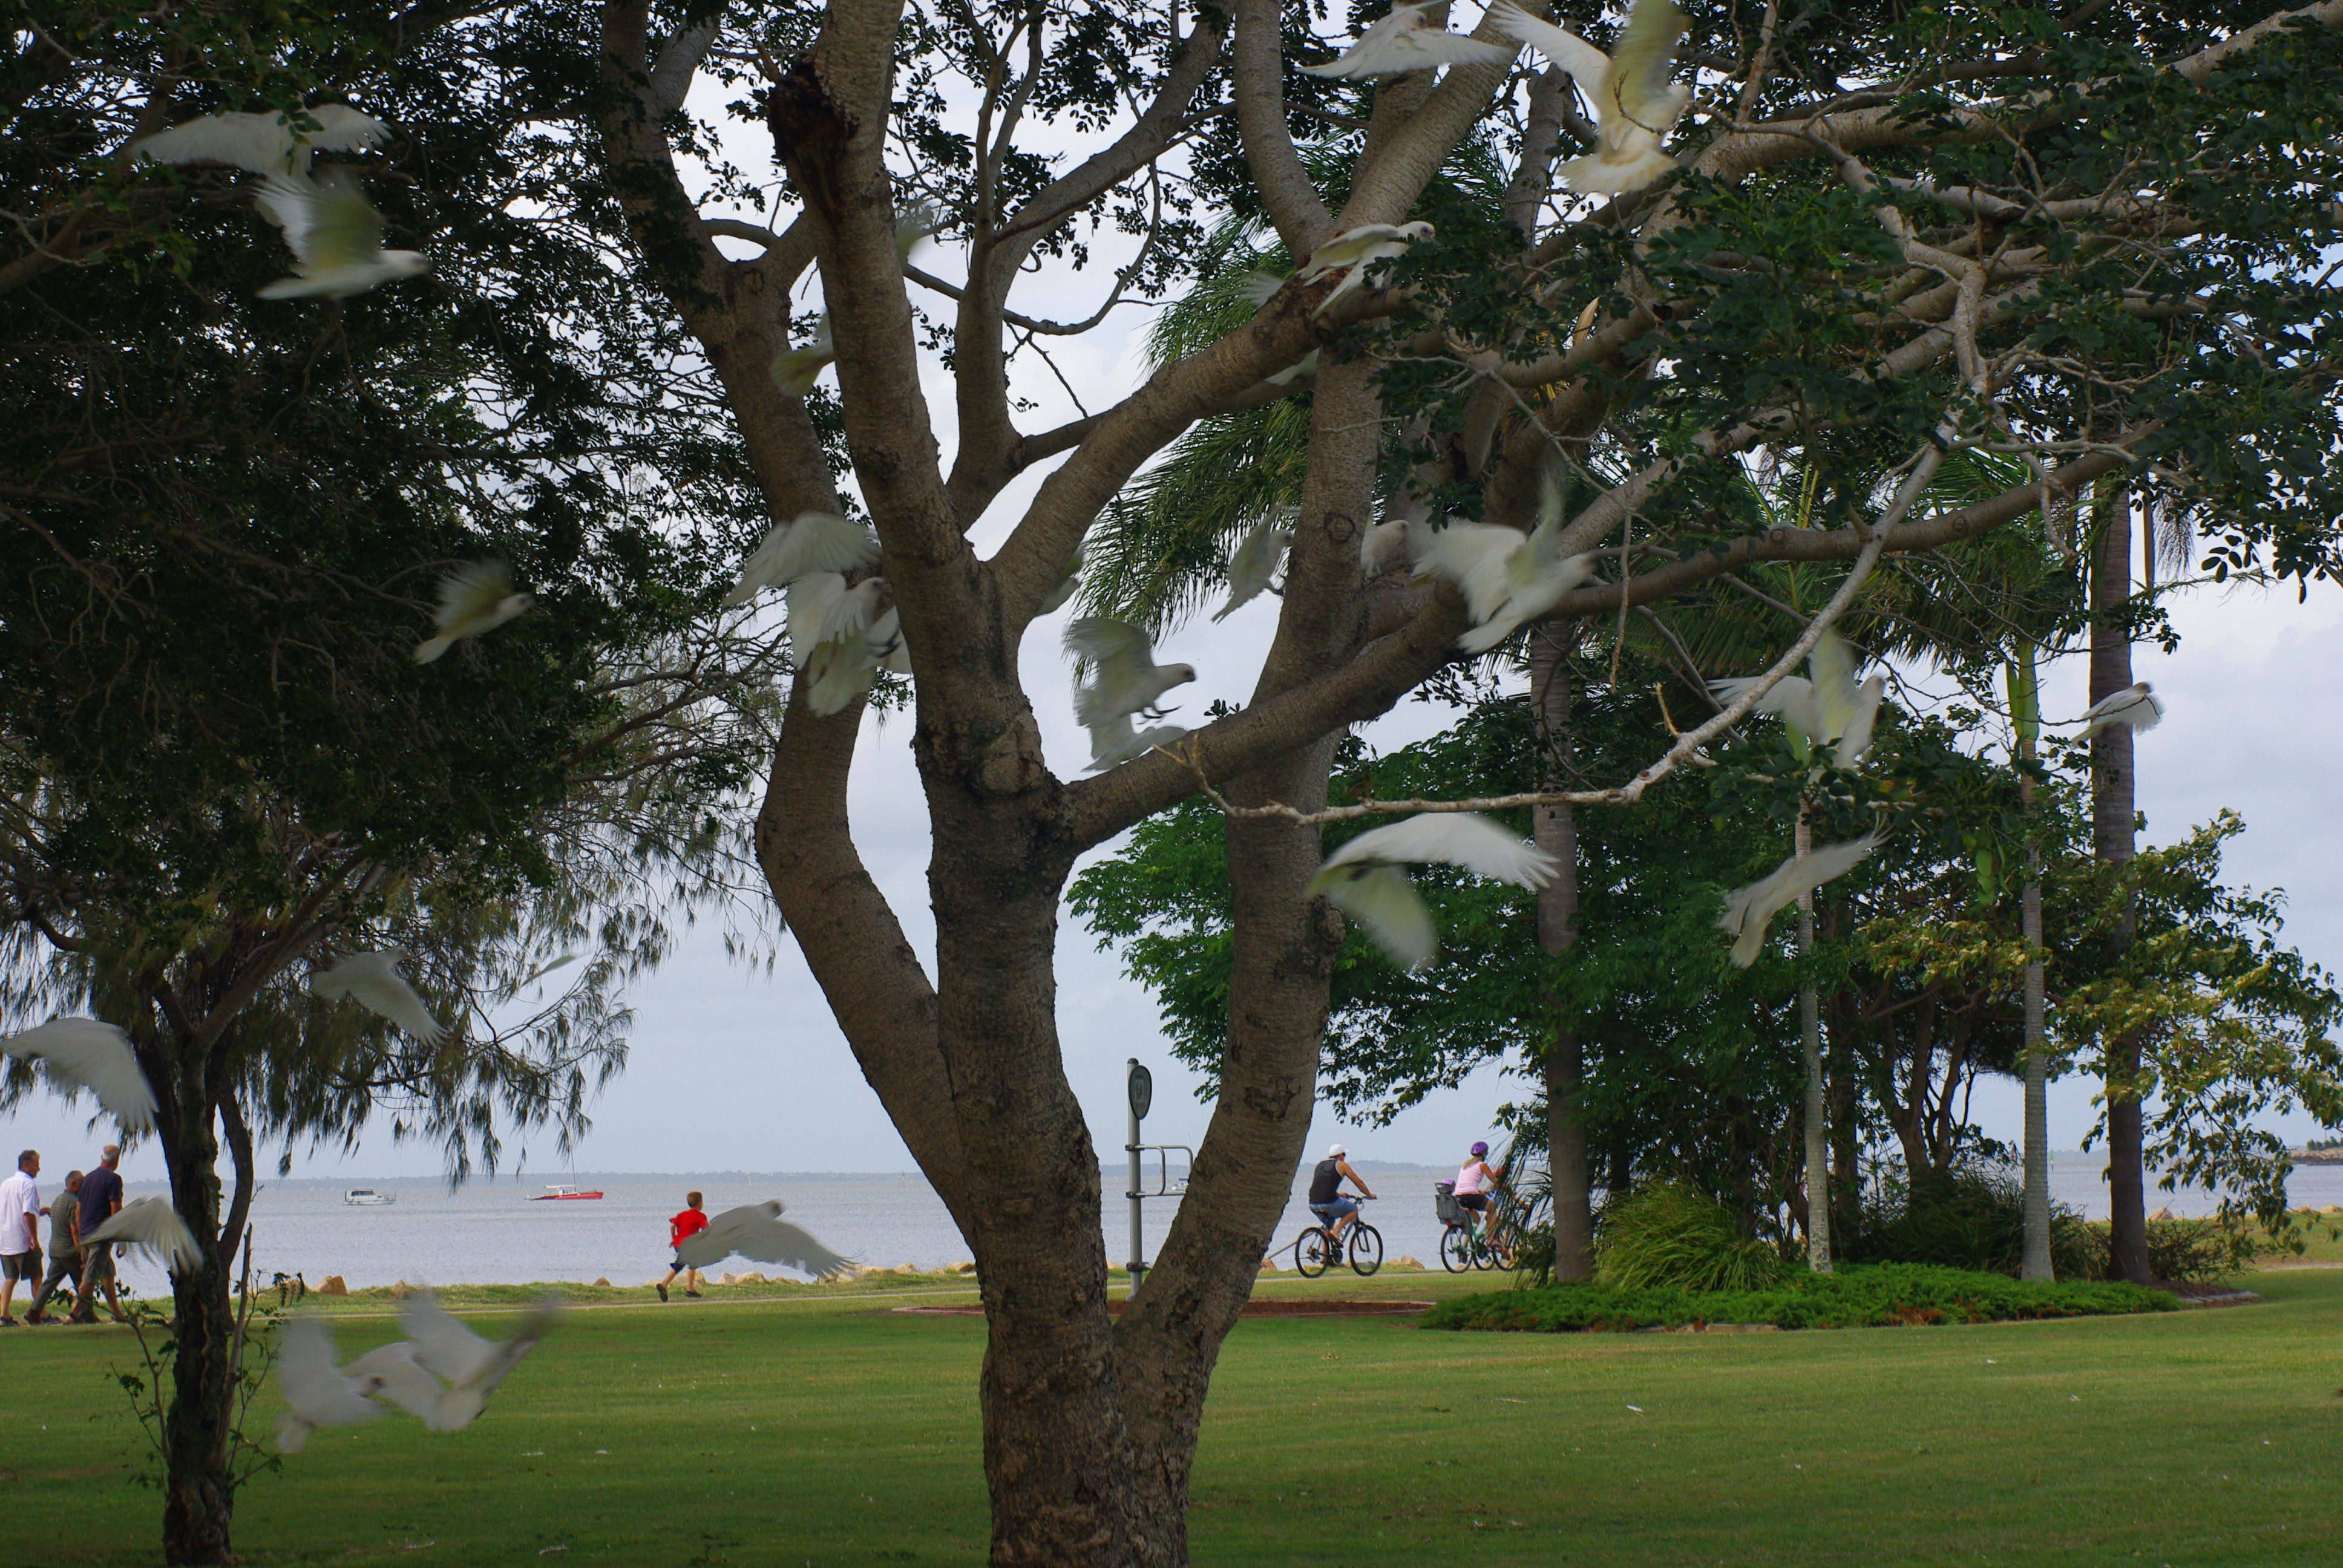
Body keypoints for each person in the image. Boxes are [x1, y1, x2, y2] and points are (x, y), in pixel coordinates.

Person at [72, 1143, 128, 1325]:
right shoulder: (114, 1180)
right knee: (90, 1277)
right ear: (117, 1160)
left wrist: (80, 1235)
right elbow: (116, 1209)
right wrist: (120, 1238)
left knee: (108, 1273)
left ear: (102, 1158)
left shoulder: (87, 1179)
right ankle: (73, 1314)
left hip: (86, 1235)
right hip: (101, 1236)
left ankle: (117, 1313)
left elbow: (78, 1209)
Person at [25, 1169, 84, 1325]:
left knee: (50, 1282)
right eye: (82, 1184)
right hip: (69, 1251)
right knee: (83, 1283)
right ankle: (84, 1313)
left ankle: (34, 1310)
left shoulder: (58, 1201)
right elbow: (75, 1230)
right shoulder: (73, 1203)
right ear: (73, 1184)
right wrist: (81, 1252)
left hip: (56, 1249)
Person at [1306, 1143, 1375, 1246]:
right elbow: (1359, 1183)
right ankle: (1337, 1231)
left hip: (1313, 1203)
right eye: (1344, 1155)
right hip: (1328, 1203)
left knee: (1328, 1227)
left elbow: (1322, 1187)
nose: (1344, 1158)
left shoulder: (1320, 1165)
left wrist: (1338, 1195)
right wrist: (1369, 1195)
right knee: (1354, 1210)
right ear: (1340, 1155)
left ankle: (1325, 1255)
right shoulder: (1342, 1165)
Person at [0, 1151, 39, 1326]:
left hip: (6, 1239)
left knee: (10, 1278)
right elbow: (27, 1213)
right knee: (36, 1276)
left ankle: (4, 1315)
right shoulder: (28, 1184)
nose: (39, 1169)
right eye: (36, 1165)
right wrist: (34, 1238)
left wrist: (41, 1211)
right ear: (26, 1165)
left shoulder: (6, 1184)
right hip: (23, 1240)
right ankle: (40, 1312)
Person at [1453, 1141, 1508, 1258]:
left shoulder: (1465, 1166)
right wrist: (1506, 1187)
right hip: (1471, 1196)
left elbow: (1466, 1185)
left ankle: (1464, 1247)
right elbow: (1495, 1180)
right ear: (1484, 1153)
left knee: (1476, 1220)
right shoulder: (1482, 1165)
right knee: (1492, 1208)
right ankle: (1490, 1239)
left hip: (1459, 1197)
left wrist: (1480, 1191)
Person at [657, 1191, 710, 1302]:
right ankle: (665, 1284)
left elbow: (672, 1225)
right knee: (681, 1264)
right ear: (700, 1204)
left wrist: (674, 1238)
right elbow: (706, 1230)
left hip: (679, 1244)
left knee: (691, 1262)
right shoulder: (700, 1216)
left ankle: (690, 1288)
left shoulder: (682, 1215)